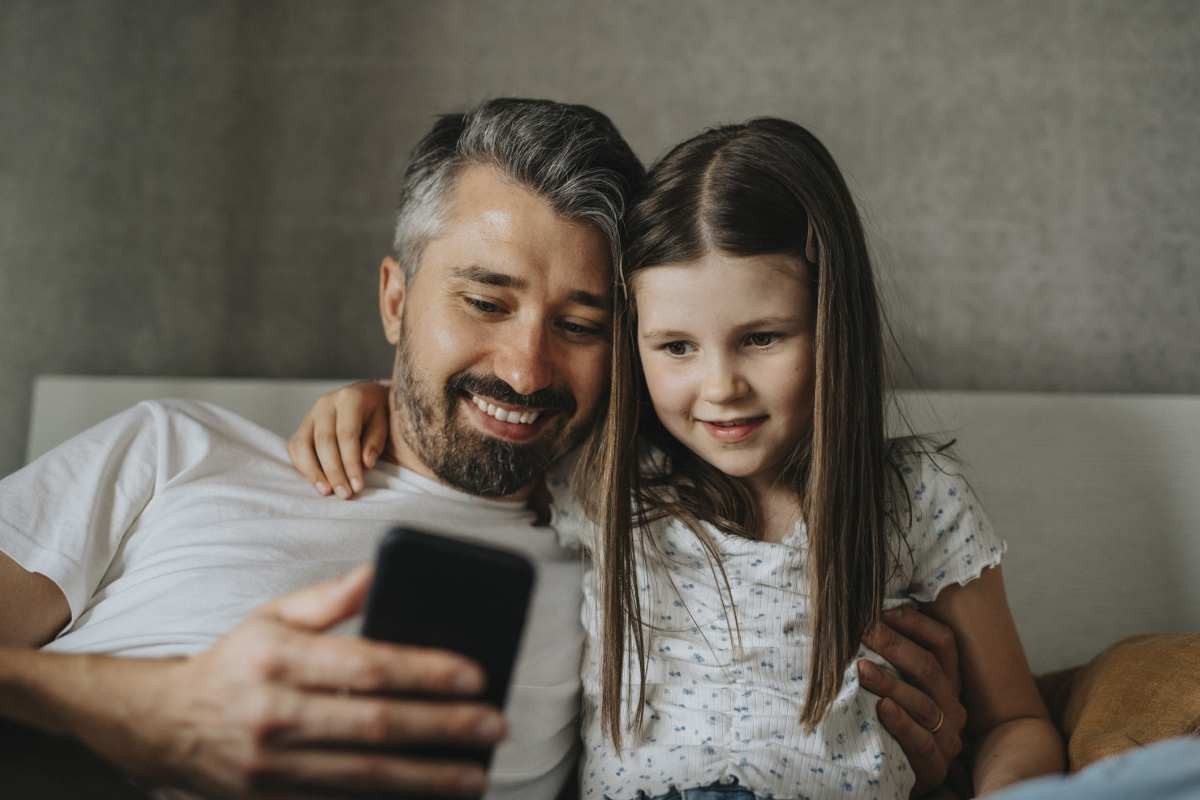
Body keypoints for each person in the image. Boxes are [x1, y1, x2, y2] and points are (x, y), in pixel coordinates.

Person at [1, 99, 964, 799]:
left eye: (582, 323)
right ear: (394, 298)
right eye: (485, 301)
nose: (526, 366)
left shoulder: (624, 548)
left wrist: (933, 742)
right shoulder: (174, 450)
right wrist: (146, 711)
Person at [288, 121, 1044, 798]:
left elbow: (1016, 723)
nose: (720, 387)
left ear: (833, 324)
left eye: (763, 338)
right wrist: (377, 397)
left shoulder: (914, 498)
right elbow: (486, 419)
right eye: (676, 347)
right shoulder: (606, 479)